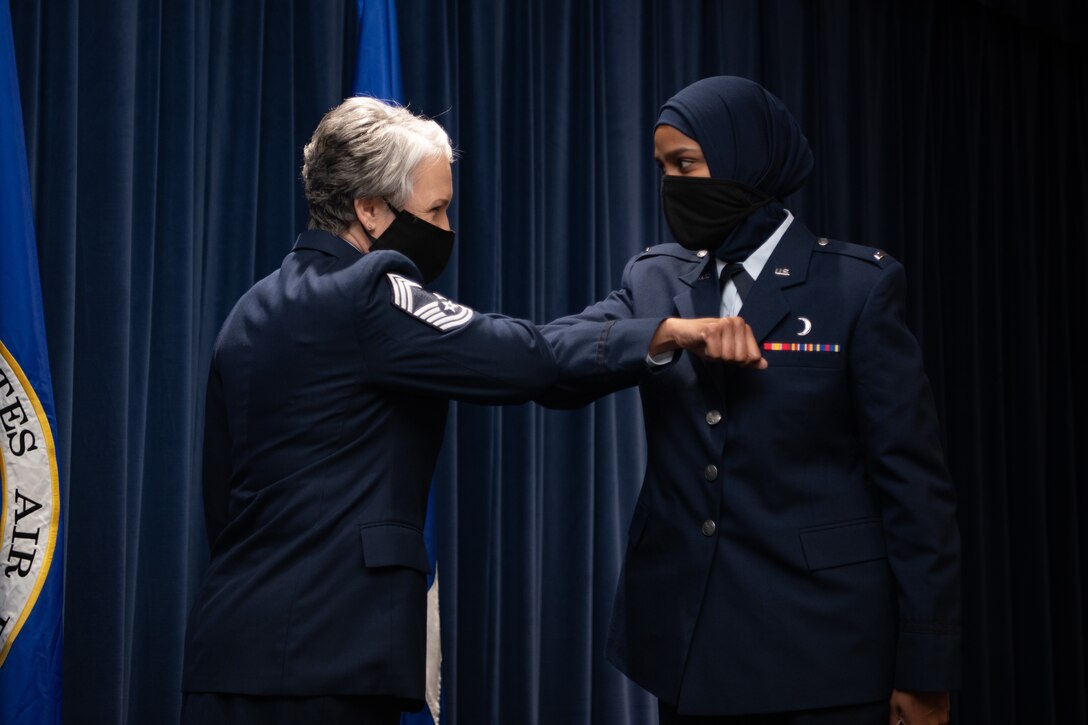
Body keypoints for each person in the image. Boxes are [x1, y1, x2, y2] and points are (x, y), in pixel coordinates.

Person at [179, 96, 762, 725]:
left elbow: (223, 496)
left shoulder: (252, 308)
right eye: (435, 209)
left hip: (231, 652)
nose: (448, 228)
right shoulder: (370, 294)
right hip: (324, 660)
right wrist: (663, 331)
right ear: (369, 210)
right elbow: (526, 358)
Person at [539, 76, 961, 725]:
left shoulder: (857, 288)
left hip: (824, 653)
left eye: (687, 164)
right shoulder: (655, 278)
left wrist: (925, 667)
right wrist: (668, 332)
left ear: (746, 159)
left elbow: (915, 495)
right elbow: (556, 354)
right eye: (662, 168)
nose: (672, 186)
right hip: (688, 651)